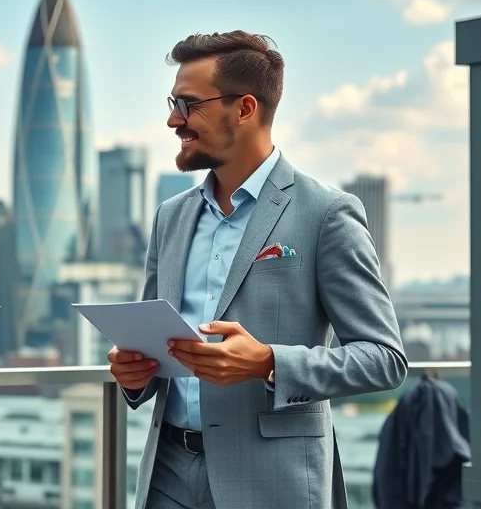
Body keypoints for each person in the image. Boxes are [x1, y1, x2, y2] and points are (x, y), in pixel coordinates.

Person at [108, 31, 408, 509]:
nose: (172, 120)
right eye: (173, 103)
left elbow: (384, 358)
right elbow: (153, 342)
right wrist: (136, 373)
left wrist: (270, 362)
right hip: (166, 476)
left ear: (244, 108)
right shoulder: (171, 215)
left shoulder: (326, 213)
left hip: (273, 483)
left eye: (188, 105)